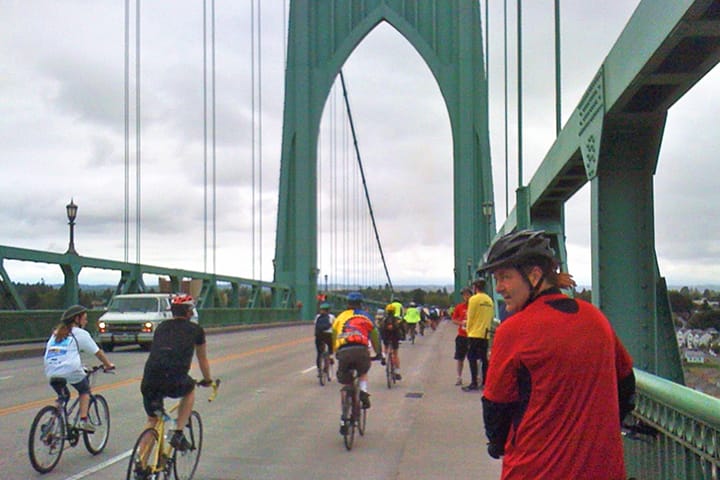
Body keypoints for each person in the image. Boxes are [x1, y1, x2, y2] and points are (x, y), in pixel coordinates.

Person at [478, 230, 635, 479]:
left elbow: (496, 409)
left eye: (505, 277)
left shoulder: (513, 330)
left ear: (535, 275)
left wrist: (496, 445)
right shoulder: (596, 318)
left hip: (534, 470)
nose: (499, 288)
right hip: (602, 470)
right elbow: (626, 383)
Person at [139, 295, 213, 451]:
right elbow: (202, 359)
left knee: (152, 419)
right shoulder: (196, 330)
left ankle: (140, 463)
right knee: (190, 388)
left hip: (149, 379)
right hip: (174, 380)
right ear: (189, 312)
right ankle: (178, 432)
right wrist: (207, 380)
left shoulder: (161, 327)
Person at [44, 305, 115, 432]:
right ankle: (83, 421)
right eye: (84, 319)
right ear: (77, 319)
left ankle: (51, 423)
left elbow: (63, 355)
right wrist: (108, 364)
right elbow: (98, 352)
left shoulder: (56, 333)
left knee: (63, 396)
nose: (86, 322)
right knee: (84, 389)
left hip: (50, 370)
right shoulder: (80, 334)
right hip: (70, 370)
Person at [332, 292, 381, 434]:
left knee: (345, 383)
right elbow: (375, 336)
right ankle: (364, 393)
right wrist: (378, 353)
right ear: (361, 303)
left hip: (344, 351)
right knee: (363, 372)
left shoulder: (340, 317)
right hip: (361, 350)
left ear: (347, 303)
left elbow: (334, 335)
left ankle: (343, 417)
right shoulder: (366, 316)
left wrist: (336, 351)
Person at [462, 278, 494, 392]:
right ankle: (485, 382)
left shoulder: (474, 299)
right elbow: (491, 317)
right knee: (484, 359)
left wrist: (468, 330)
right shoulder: (489, 300)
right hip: (485, 334)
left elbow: (470, 317)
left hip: (474, 333)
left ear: (475, 288)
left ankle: (474, 382)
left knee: (472, 358)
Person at [450, 287, 472, 386]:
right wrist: (461, 323)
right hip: (462, 335)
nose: (466, 297)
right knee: (460, 358)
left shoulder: (475, 306)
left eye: (468, 294)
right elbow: (454, 319)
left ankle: (475, 377)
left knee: (473, 358)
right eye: (464, 295)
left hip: (473, 335)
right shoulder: (459, 307)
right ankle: (459, 377)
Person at [379, 304, 402, 381]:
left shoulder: (384, 319)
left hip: (386, 336)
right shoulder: (397, 319)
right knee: (395, 354)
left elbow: (380, 328)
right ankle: (397, 372)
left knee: (385, 347)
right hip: (394, 337)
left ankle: (384, 357)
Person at [314, 302, 335, 376]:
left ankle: (319, 370)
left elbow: (316, 325)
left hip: (319, 335)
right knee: (331, 347)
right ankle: (331, 356)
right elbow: (335, 327)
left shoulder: (317, 317)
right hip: (328, 335)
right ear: (328, 310)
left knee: (319, 353)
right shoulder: (332, 317)